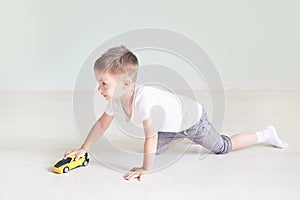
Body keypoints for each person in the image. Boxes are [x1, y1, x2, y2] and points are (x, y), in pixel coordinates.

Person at [64, 45, 288, 181]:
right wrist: (84, 148)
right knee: (158, 151)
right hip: (169, 124)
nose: (98, 89)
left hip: (192, 120)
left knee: (222, 147)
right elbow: (102, 123)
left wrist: (145, 169)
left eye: (104, 84)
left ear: (125, 84)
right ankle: (178, 136)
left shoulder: (144, 103)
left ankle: (265, 134)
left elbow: (150, 138)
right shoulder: (116, 98)